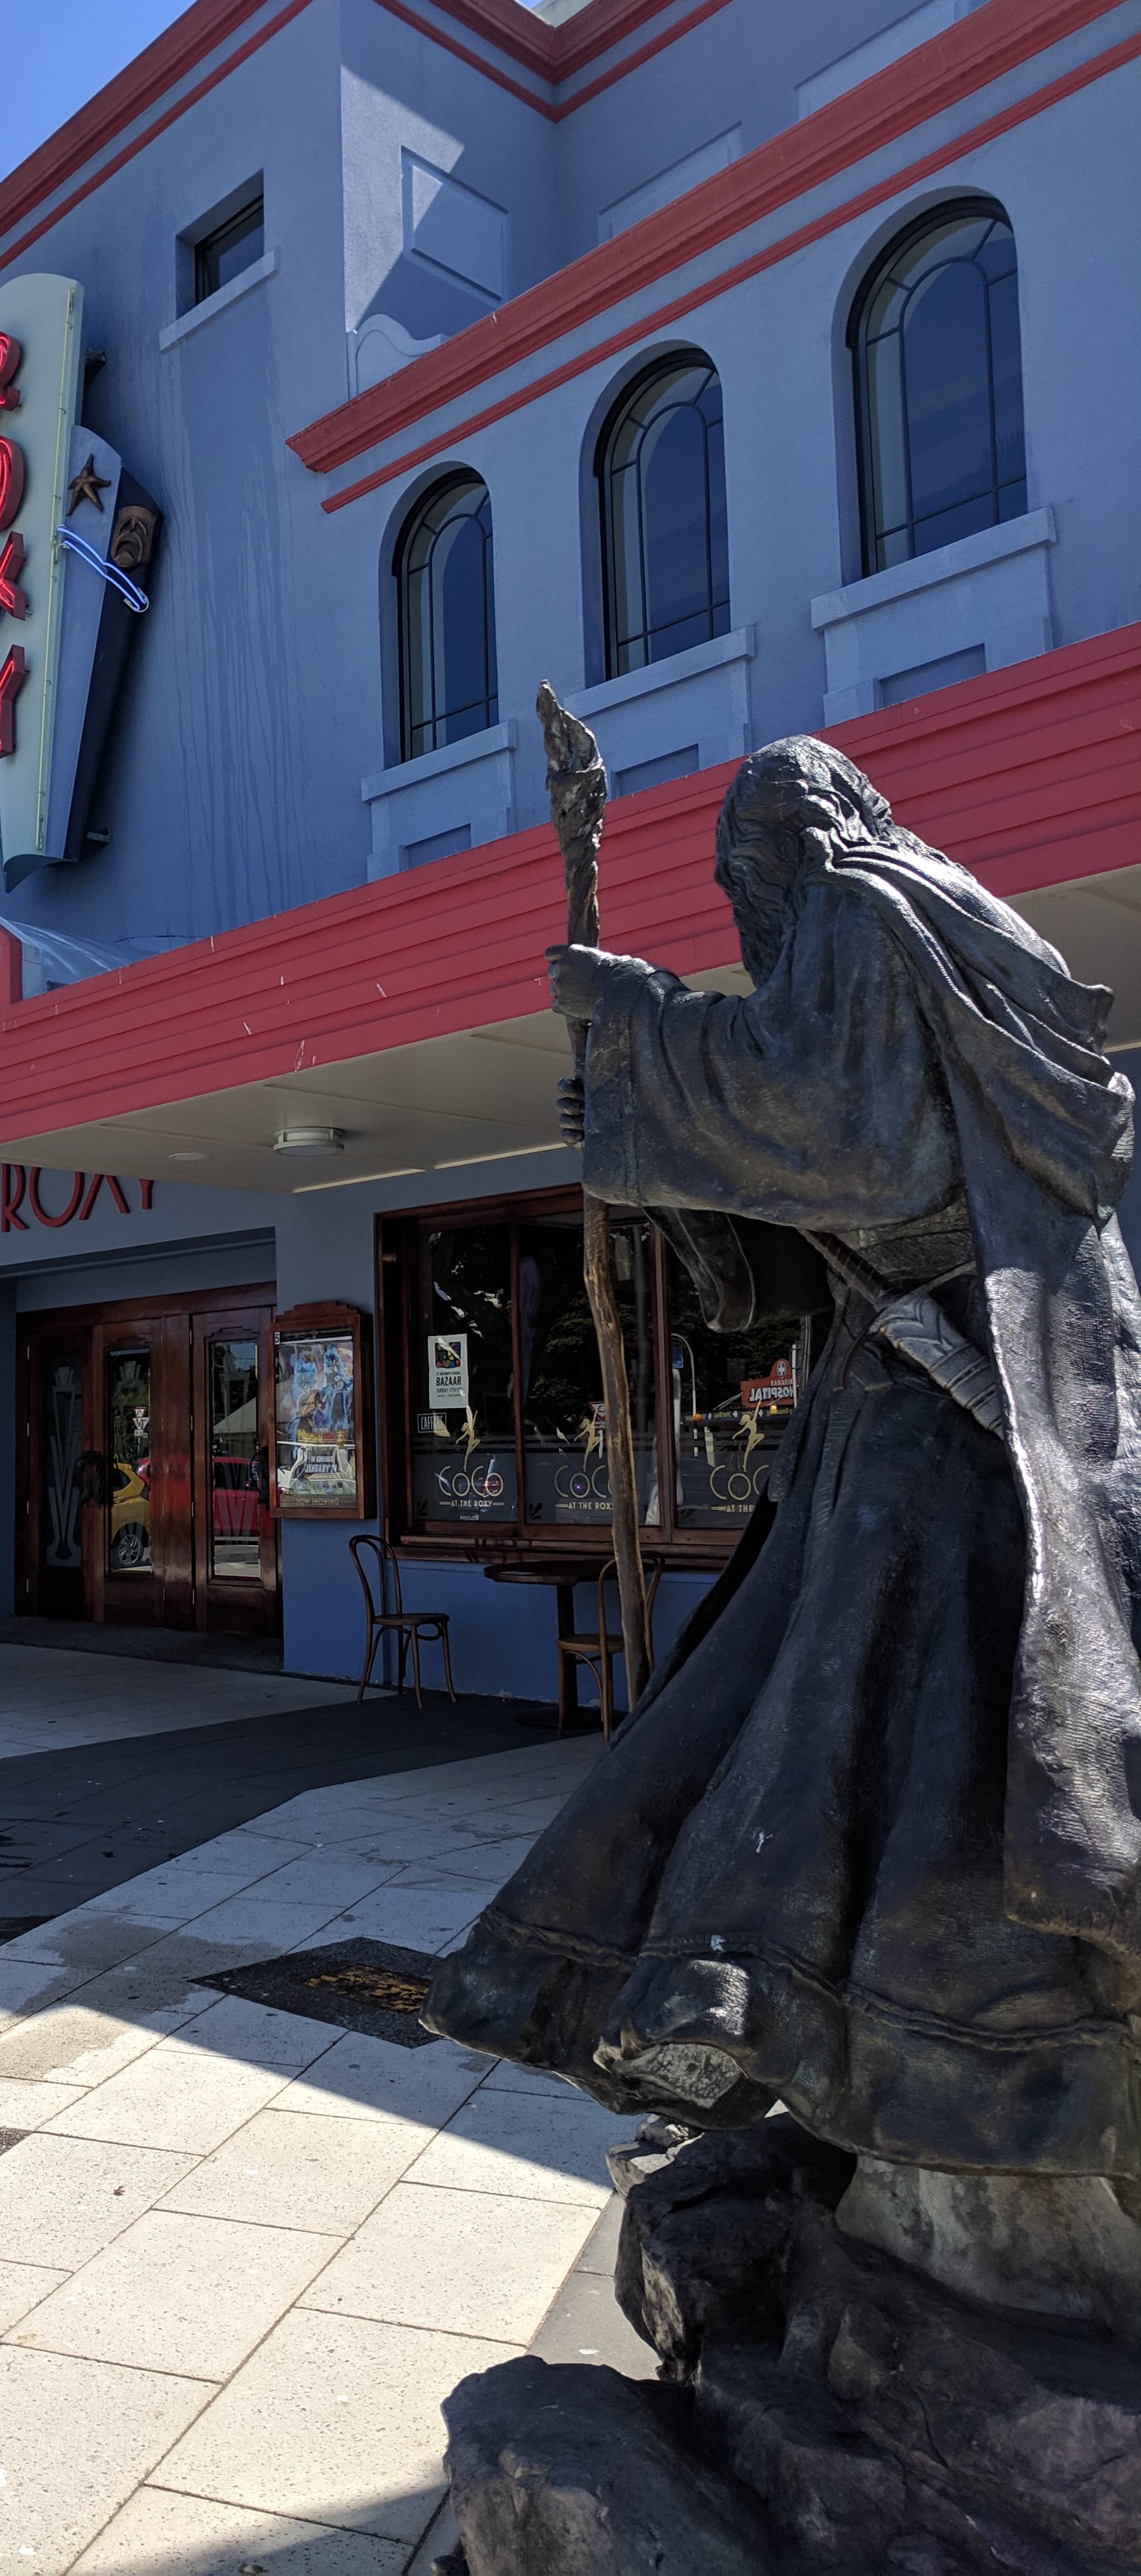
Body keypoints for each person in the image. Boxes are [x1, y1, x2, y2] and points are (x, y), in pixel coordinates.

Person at [426, 734, 1141, 2195]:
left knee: (847, 1708)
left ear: (797, 842)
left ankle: (770, 1997)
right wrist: (645, 1135)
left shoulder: (875, 909)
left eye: (743, 874)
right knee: (818, 1700)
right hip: (916, 1380)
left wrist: (639, 1029)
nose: (742, 907)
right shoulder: (900, 924)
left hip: (952, 1395)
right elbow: (814, 1184)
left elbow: (852, 1143)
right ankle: (750, 1997)